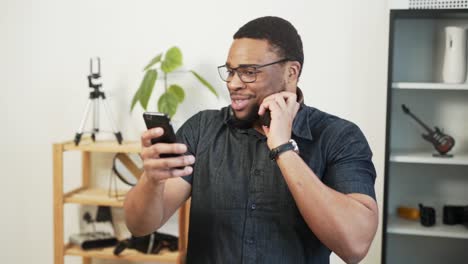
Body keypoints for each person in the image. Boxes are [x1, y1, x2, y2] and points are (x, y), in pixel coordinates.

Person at [124, 16, 378, 264]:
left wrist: (283, 148)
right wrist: (151, 180)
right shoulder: (202, 129)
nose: (233, 83)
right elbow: (139, 226)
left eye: (248, 72)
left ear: (291, 72)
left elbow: (355, 246)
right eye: (231, 71)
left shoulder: (339, 137)